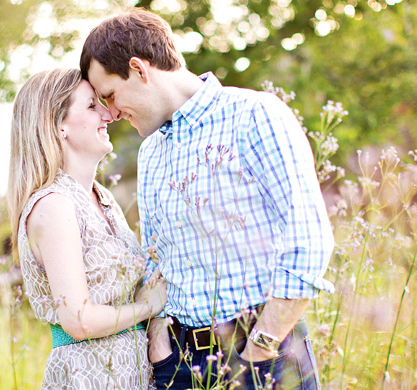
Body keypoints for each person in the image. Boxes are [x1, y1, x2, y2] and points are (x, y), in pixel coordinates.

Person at [79, 9, 335, 390]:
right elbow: (156, 259)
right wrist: (159, 344)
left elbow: (309, 240)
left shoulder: (256, 115)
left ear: (139, 68)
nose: (111, 113)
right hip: (178, 366)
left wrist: (258, 353)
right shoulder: (151, 153)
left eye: (111, 95)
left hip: (264, 356)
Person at [8, 68, 166, 389]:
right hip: (89, 374)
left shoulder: (101, 196)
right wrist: (149, 306)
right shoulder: (54, 206)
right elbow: (79, 320)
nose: (108, 114)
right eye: (92, 106)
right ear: (58, 125)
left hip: (132, 370)